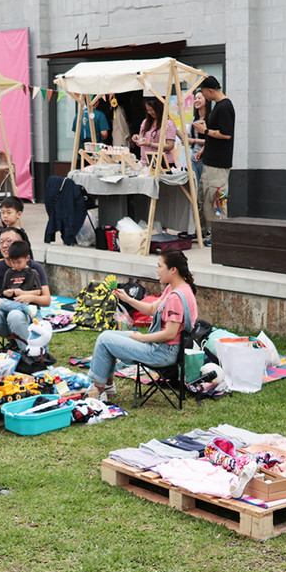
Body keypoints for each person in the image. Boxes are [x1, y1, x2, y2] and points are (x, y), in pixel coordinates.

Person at [88, 249, 196, 400]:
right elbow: (152, 309)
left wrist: (142, 338)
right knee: (107, 336)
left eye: (159, 266)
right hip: (162, 348)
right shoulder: (175, 288)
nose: (157, 270)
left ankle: (99, 392)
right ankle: (106, 386)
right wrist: (127, 299)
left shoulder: (176, 298)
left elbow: (170, 334)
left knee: (105, 340)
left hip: (163, 353)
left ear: (173, 269)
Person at [0, 229, 50, 355]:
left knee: (15, 315)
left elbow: (46, 300)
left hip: (27, 318)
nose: (4, 245)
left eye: (9, 241)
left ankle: (31, 357)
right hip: (4, 316)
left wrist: (28, 298)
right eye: (1, 242)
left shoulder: (34, 268)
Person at [194, 76, 234, 247]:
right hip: (210, 161)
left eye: (203, 93)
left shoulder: (225, 106)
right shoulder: (219, 106)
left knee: (217, 200)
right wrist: (205, 149)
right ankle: (209, 232)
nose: (204, 97)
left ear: (210, 90)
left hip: (219, 164)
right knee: (205, 199)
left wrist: (205, 130)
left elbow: (226, 134)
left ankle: (219, 234)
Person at [0, 243, 42, 314]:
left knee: (2, 304)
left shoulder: (32, 273)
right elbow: (3, 291)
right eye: (13, 262)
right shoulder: (9, 272)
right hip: (12, 304)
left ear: (27, 258)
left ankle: (25, 308)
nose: (16, 265)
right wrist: (7, 292)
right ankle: (24, 308)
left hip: (28, 304)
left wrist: (23, 293)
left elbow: (38, 292)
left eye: (19, 262)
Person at [131, 97, 177, 167]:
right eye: (148, 110)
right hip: (145, 163)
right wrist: (137, 139)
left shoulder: (168, 123)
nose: (149, 112)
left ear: (159, 109)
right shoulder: (145, 122)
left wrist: (150, 144)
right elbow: (142, 143)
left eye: (152, 110)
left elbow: (170, 146)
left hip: (162, 164)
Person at [185, 91, 210, 188]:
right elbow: (188, 138)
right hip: (193, 158)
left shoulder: (209, 119)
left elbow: (210, 140)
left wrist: (194, 141)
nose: (196, 100)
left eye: (200, 98)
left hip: (205, 158)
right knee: (195, 187)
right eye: (195, 98)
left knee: (204, 187)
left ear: (206, 101)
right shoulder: (193, 119)